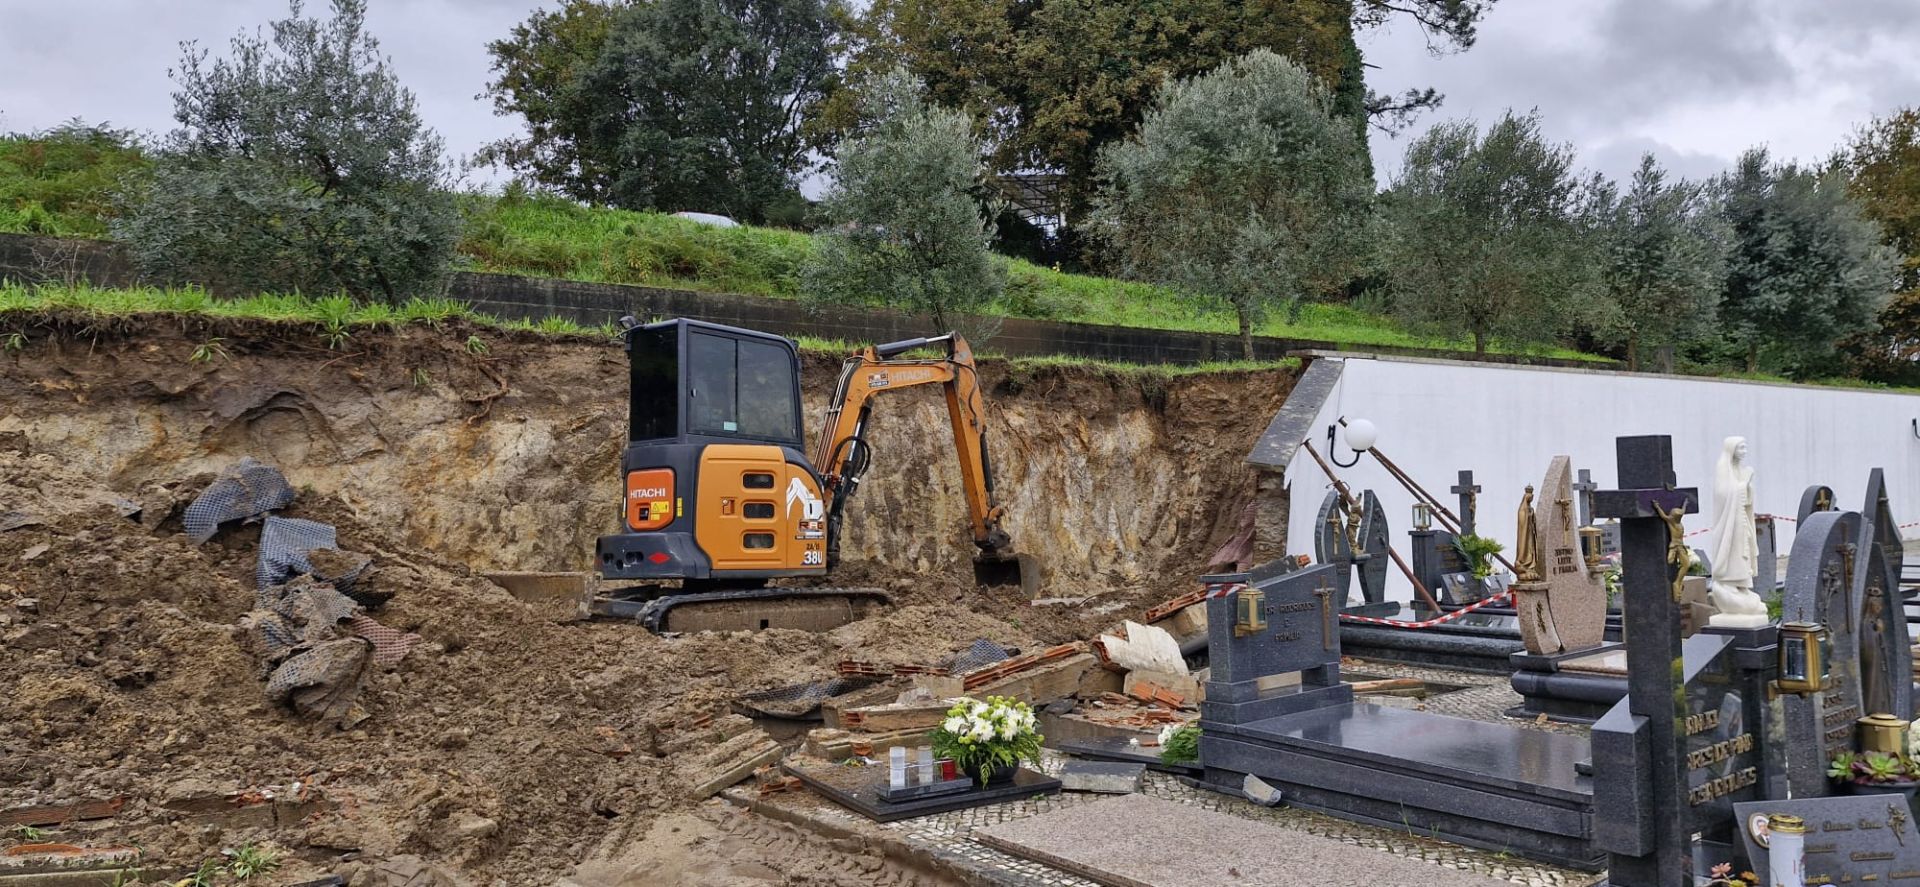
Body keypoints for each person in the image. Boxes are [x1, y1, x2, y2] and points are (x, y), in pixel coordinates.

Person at [1707, 436, 1768, 626]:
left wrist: (1747, 486)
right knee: (1733, 553)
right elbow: (1723, 494)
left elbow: (1745, 499)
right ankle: (1728, 584)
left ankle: (1741, 587)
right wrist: (1744, 483)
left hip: (1740, 520)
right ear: (1732, 449)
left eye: (1745, 447)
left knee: (1744, 555)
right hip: (1729, 524)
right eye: (1741, 447)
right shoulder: (1723, 467)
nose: (1744, 451)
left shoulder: (1738, 469)